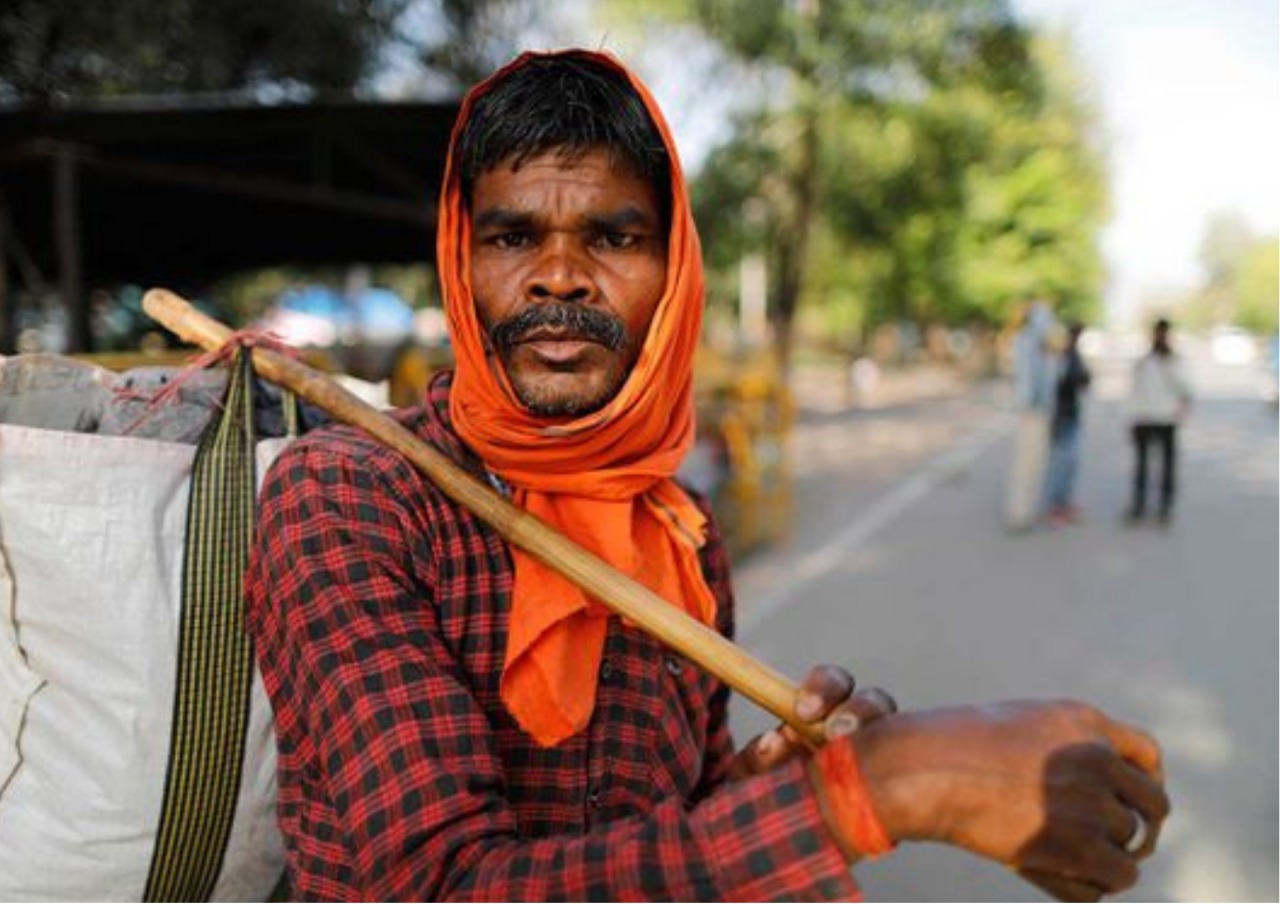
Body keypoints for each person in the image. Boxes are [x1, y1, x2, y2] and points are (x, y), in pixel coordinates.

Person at [245, 50, 1168, 902]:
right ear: (460, 260)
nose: (558, 276)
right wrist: (896, 785)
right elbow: (440, 886)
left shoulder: (678, 530)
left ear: (676, 270)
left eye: (612, 238)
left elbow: (657, 823)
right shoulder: (350, 498)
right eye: (513, 237)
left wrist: (770, 785)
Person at [1126, 318, 1193, 525]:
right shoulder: (1143, 362)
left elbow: (1187, 389)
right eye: (1157, 334)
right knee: (1142, 465)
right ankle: (1138, 506)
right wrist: (1132, 418)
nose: (1160, 338)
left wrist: (1169, 365)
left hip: (1167, 419)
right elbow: (1134, 392)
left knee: (1167, 466)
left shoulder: (1176, 361)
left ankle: (1165, 508)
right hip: (1144, 419)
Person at [1004, 298, 1060, 532]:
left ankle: (1028, 510)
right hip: (1031, 411)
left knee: (1036, 463)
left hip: (1040, 411)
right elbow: (1027, 380)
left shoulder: (1043, 345)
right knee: (1025, 463)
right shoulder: (1026, 341)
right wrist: (1032, 404)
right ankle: (1018, 514)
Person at [1045, 322, 1092, 525]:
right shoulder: (1058, 359)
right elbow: (1058, 385)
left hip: (1071, 415)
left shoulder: (1073, 356)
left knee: (1070, 463)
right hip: (1060, 417)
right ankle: (1056, 506)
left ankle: (1064, 502)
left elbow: (1083, 381)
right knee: (1061, 464)